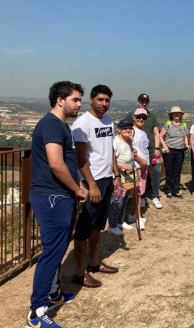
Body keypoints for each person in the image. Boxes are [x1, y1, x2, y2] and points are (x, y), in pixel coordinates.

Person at [26, 81, 88, 328]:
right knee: (51, 253)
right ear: (60, 100)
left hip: (59, 196)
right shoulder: (52, 125)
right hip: (52, 197)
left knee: (59, 248)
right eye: (75, 99)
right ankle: (36, 312)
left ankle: (53, 295)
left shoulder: (59, 125)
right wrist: (77, 188)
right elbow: (55, 164)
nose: (79, 104)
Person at [71, 84, 121, 288]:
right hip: (91, 180)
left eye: (107, 100)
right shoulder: (82, 124)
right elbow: (80, 157)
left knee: (98, 226)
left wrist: (116, 175)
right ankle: (78, 273)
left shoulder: (108, 121)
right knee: (83, 228)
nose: (104, 104)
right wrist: (91, 185)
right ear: (91, 100)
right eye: (100, 99)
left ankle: (93, 263)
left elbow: (110, 151)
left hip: (107, 179)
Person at [126, 94, 162, 209]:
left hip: (152, 149)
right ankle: (139, 197)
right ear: (138, 102)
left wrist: (157, 148)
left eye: (146, 101)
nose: (144, 103)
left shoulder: (152, 116)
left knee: (156, 172)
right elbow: (124, 129)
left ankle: (155, 196)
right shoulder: (131, 115)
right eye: (142, 101)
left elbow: (156, 133)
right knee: (138, 174)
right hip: (137, 150)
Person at [109, 119, 138, 236]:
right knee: (117, 200)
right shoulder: (116, 142)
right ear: (119, 129)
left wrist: (133, 152)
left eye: (129, 128)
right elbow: (111, 159)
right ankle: (112, 225)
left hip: (127, 175)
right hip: (118, 174)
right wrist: (123, 166)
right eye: (124, 128)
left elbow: (128, 153)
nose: (127, 130)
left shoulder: (128, 140)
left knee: (125, 198)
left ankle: (120, 221)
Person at [160, 106, 189, 198]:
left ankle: (176, 190)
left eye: (178, 113)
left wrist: (187, 144)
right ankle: (169, 190)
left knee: (177, 172)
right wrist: (165, 147)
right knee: (169, 172)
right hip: (169, 151)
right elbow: (160, 136)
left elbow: (185, 136)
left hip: (180, 151)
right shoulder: (167, 124)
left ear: (180, 115)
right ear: (171, 115)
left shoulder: (183, 125)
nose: (177, 115)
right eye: (175, 113)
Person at [130, 109, 150, 229]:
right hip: (137, 165)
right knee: (137, 192)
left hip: (143, 165)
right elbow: (129, 148)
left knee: (139, 192)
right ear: (134, 117)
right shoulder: (132, 130)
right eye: (138, 117)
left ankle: (133, 214)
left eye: (144, 117)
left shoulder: (142, 131)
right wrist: (139, 159)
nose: (141, 119)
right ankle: (138, 217)